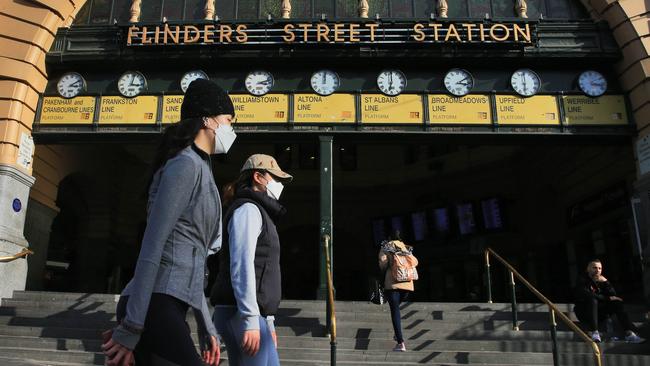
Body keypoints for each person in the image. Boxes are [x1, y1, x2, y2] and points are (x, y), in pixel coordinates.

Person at [101, 79, 237, 366]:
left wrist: (206, 325)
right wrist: (132, 326)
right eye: (229, 121)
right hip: (153, 303)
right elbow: (153, 244)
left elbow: (195, 261)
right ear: (208, 120)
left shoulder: (202, 169)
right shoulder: (185, 165)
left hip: (169, 304)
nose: (232, 130)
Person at [210, 154, 292, 366]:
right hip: (239, 312)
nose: (278, 183)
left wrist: (268, 323)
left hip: (251, 314)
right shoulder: (248, 210)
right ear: (258, 177)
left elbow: (261, 271)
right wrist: (250, 320)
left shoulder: (258, 211)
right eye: (274, 177)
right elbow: (242, 266)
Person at [574, 259, 645, 343]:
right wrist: (606, 298)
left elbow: (613, 296)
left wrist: (606, 282)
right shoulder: (582, 280)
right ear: (588, 269)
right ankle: (595, 333)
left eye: (600, 268)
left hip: (599, 313)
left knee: (617, 303)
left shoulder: (601, 280)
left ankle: (629, 334)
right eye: (595, 268)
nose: (598, 270)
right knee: (593, 300)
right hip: (584, 313)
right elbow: (588, 295)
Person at [378, 231, 415, 352]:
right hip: (407, 284)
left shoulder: (387, 246)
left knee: (395, 312)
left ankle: (400, 343)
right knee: (396, 309)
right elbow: (415, 262)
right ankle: (397, 333)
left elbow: (382, 264)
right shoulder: (405, 247)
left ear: (389, 237)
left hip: (393, 283)